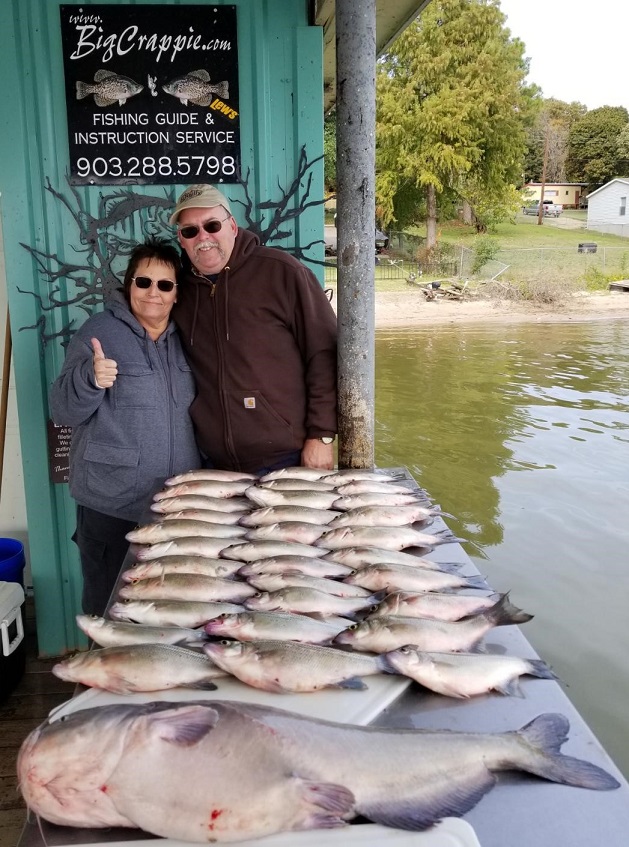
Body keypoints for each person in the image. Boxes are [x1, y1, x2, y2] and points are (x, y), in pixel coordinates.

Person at [49, 238, 201, 616]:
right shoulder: (99, 332)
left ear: (177, 294)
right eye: (143, 282)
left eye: (165, 285)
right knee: (109, 612)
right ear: (128, 285)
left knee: (165, 612)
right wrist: (90, 378)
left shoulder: (187, 339)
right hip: (111, 507)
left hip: (174, 510)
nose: (154, 293)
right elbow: (63, 410)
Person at [170, 184, 337, 475]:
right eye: (190, 231)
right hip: (213, 465)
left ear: (232, 226)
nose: (203, 237)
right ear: (181, 240)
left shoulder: (283, 273)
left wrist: (321, 434)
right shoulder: (175, 290)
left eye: (212, 225)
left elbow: (324, 354)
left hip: (288, 458)